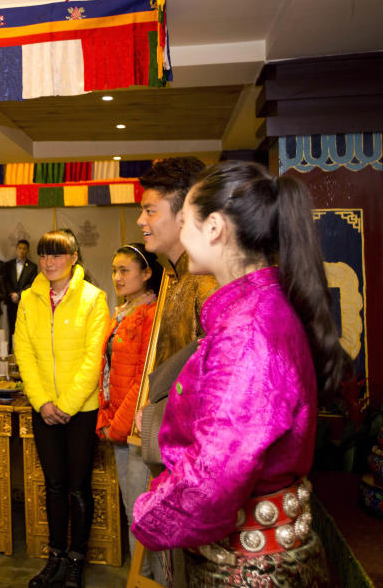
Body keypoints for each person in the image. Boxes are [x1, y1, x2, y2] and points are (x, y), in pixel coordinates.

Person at [132, 161, 348, 586]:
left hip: (248, 571)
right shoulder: (251, 309)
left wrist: (148, 513)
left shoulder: (247, 331)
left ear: (213, 227)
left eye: (184, 217)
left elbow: (213, 476)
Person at [132, 156, 218, 584]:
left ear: (185, 213)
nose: (140, 220)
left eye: (150, 210)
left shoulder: (207, 285)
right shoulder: (179, 278)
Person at [15, 229, 110, 588]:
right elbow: (23, 353)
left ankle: (76, 560)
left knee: (77, 487)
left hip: (80, 411)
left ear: (73, 258)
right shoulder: (29, 298)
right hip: (44, 408)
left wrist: (66, 405)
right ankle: (55, 555)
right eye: (43, 255)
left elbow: (94, 358)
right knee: (53, 485)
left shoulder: (93, 298)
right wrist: (43, 402)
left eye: (57, 255)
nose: (48, 262)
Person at [95, 243, 162, 569]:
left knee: (142, 509)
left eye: (125, 270)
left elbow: (144, 378)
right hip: (119, 422)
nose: (117, 277)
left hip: (136, 426)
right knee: (131, 508)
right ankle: (142, 576)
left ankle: (149, 577)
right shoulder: (123, 312)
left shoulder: (151, 314)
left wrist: (117, 423)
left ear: (147, 273)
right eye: (114, 270)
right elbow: (109, 373)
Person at [2, 238, 37, 351]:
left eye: (24, 249)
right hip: (10, 301)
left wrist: (19, 295)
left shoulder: (32, 267)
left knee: (23, 329)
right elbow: (5, 281)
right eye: (20, 248)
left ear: (27, 250)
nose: (22, 251)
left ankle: (22, 352)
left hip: (24, 302)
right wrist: (11, 294)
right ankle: (12, 352)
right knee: (11, 328)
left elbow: (31, 284)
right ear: (16, 249)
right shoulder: (8, 265)